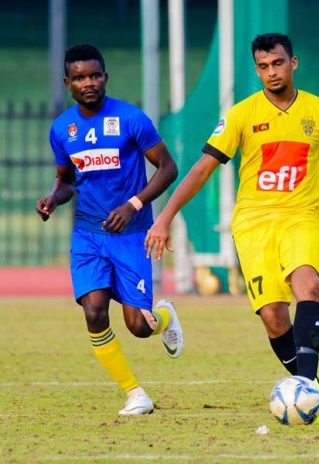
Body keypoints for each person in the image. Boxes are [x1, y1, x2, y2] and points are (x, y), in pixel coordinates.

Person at [145, 33, 319, 423]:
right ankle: (314, 395)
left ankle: (308, 390)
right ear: (257, 70)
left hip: (301, 219)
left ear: (293, 63)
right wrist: (165, 217)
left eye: (277, 64)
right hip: (253, 226)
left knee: (309, 287)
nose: (271, 72)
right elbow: (201, 170)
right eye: (263, 67)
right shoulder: (241, 115)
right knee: (274, 317)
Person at [36, 44, 184, 415]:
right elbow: (67, 181)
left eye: (95, 75)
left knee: (137, 325)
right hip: (88, 233)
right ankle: (135, 394)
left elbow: (168, 168)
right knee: (94, 311)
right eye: (80, 77)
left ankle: (163, 316)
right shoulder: (62, 129)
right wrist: (54, 198)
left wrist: (133, 204)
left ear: (105, 77)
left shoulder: (131, 118)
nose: (89, 82)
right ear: (68, 82)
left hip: (132, 233)